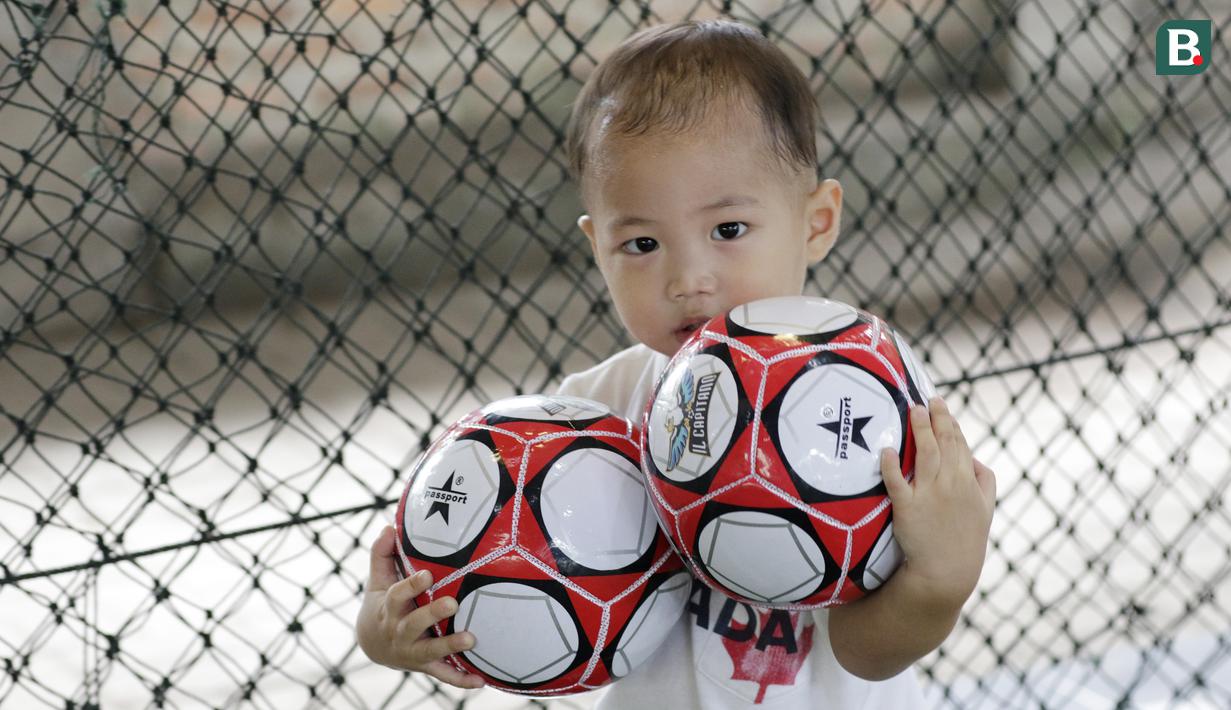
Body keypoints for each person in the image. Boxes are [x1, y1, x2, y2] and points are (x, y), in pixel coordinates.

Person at [356, 19, 996, 708]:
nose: (687, 276)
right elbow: (455, 604)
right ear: (595, 245)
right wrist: (388, 630)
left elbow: (867, 655)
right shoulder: (582, 425)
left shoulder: (869, 407)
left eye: (727, 231)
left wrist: (937, 579)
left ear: (816, 221)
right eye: (640, 244)